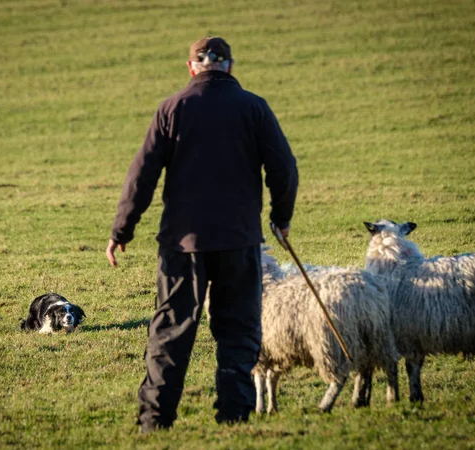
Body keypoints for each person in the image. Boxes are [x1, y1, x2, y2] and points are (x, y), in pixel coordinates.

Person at [106, 36, 298, 432]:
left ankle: (155, 422)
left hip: (182, 244)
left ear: (192, 67)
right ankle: (235, 417)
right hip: (239, 241)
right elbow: (284, 168)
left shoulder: (172, 108)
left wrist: (122, 229)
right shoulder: (254, 108)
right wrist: (281, 218)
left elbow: (141, 175)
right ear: (229, 66)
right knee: (238, 331)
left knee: (171, 332)